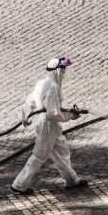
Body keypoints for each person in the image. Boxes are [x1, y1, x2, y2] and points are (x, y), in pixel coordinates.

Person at [11, 57, 88, 195]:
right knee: (39, 156)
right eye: (63, 69)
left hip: (50, 126)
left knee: (62, 152)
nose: (64, 72)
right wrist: (70, 116)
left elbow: (31, 101)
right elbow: (53, 114)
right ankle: (19, 184)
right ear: (56, 71)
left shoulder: (42, 83)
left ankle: (72, 180)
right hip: (49, 127)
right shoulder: (52, 87)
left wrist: (24, 115)